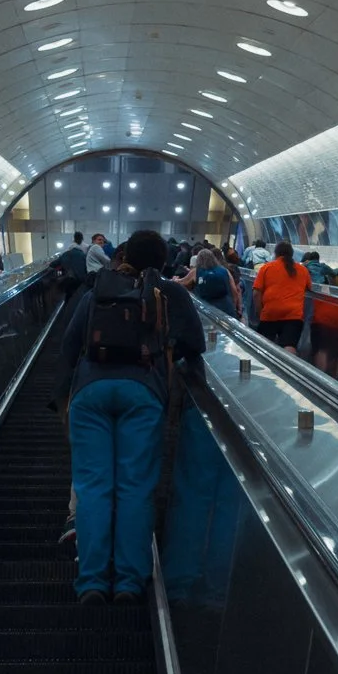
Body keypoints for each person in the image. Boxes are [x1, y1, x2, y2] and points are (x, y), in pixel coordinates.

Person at [59, 229, 206, 603]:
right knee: (135, 488)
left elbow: (69, 346)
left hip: (90, 393)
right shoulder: (170, 292)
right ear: (163, 260)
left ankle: (91, 581)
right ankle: (128, 581)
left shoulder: (97, 291)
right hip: (143, 392)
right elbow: (195, 344)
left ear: (123, 254)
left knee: (92, 488)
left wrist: (61, 402)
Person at [251, 239, 312, 349]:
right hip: (294, 315)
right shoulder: (303, 270)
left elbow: (256, 293)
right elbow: (309, 288)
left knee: (265, 347)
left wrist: (260, 312)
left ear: (276, 253)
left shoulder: (267, 268)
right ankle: (289, 365)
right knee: (289, 347)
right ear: (292, 254)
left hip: (270, 314)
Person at [179, 246, 239, 316]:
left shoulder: (196, 271)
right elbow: (235, 291)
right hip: (226, 309)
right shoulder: (224, 270)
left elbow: (182, 283)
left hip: (205, 310)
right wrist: (234, 307)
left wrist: (175, 280)